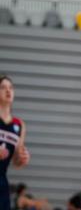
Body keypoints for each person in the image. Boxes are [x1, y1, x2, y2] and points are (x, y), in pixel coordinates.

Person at [0, 75, 29, 210]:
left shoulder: (19, 125)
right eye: (3, 87)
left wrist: (22, 158)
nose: (8, 91)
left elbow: (16, 161)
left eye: (11, 87)